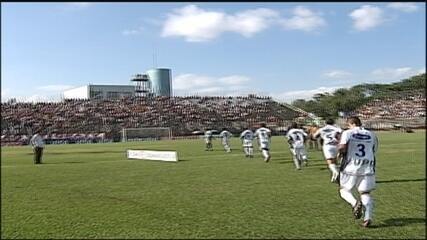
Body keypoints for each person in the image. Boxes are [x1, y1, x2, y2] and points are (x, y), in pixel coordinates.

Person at [338, 116, 378, 228]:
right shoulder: (372, 134)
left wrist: (339, 153)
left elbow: (342, 147)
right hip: (367, 167)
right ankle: (368, 217)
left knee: (344, 190)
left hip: (350, 167)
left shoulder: (348, 133)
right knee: (365, 193)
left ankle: (355, 203)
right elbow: (374, 150)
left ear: (351, 124)